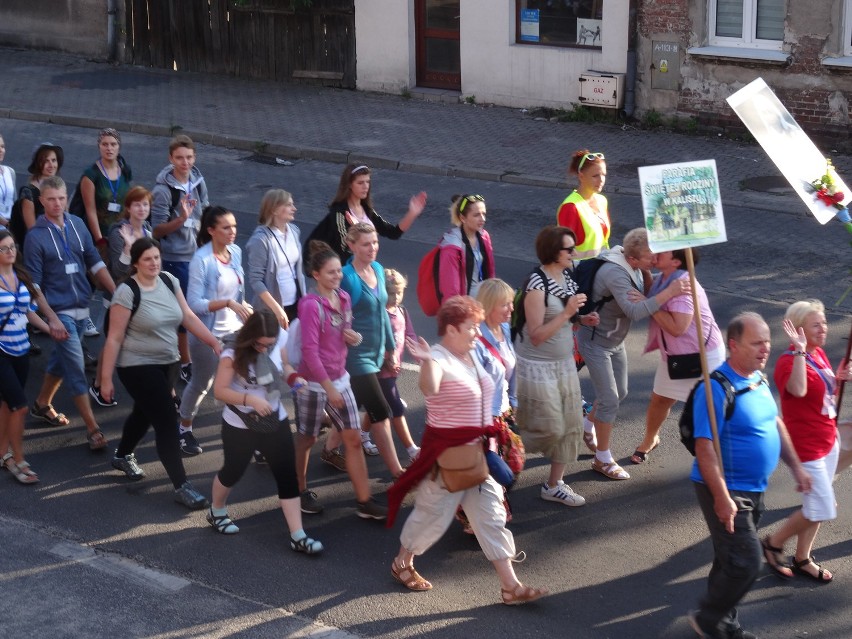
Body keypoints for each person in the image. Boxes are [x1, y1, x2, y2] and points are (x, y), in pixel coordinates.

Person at [387, 296, 548, 605]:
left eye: (477, 325)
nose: (477, 332)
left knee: (491, 515)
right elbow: (429, 388)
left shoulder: (470, 354)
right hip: (447, 458)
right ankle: (402, 562)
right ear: (451, 329)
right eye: (471, 327)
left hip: (476, 453)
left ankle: (510, 587)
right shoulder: (439, 357)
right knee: (432, 516)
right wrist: (426, 361)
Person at [688, 312, 811, 639]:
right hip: (728, 490)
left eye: (767, 341)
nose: (765, 348)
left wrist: (796, 466)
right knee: (747, 561)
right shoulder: (714, 388)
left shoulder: (758, 379)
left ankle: (723, 626)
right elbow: (704, 448)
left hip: (753, 488)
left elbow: (775, 422)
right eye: (756, 343)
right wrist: (722, 498)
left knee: (729, 559)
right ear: (733, 346)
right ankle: (709, 619)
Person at [99, 237, 220, 509]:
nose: (153, 263)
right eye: (147, 259)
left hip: (168, 363)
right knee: (166, 418)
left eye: (156, 257)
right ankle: (182, 485)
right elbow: (114, 339)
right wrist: (105, 379)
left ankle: (122, 455)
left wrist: (213, 341)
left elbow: (187, 316)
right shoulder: (126, 293)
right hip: (136, 365)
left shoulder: (168, 280)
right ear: (136, 263)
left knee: (144, 412)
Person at [576, 227, 688, 480]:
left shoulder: (636, 266)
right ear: (632, 259)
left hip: (614, 341)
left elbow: (645, 295)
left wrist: (650, 275)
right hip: (595, 342)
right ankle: (602, 459)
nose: (656, 259)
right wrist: (669, 292)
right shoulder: (615, 272)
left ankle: (587, 425)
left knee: (621, 392)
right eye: (651, 257)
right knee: (610, 399)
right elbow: (635, 311)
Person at [208, 309, 323, 553]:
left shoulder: (276, 341)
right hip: (241, 424)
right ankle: (217, 511)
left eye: (268, 344)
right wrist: (250, 399)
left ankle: (298, 535)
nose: (264, 349)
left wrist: (294, 380)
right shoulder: (232, 351)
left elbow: (286, 367)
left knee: (286, 475)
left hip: (274, 419)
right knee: (233, 471)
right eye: (260, 344)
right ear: (250, 336)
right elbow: (219, 391)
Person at [292, 240, 387, 519]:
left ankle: (364, 501)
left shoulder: (343, 299)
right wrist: (327, 387)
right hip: (313, 384)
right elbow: (309, 352)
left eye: (338, 272)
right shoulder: (310, 305)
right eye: (331, 272)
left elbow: (344, 329)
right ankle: (298, 491)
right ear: (316, 275)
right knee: (307, 438)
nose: (338, 277)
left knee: (353, 439)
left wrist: (352, 337)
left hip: (339, 379)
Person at [23, 177, 115, 450]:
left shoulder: (77, 225)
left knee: (61, 361)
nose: (57, 204)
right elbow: (35, 287)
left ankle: (42, 404)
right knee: (75, 367)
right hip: (59, 312)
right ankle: (92, 429)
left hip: (81, 308)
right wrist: (51, 319)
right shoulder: (35, 237)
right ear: (42, 201)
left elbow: (94, 261)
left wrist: (119, 293)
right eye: (51, 199)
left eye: (61, 198)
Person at [761, 300, 849, 584]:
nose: (824, 328)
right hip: (806, 446)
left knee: (817, 505)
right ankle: (774, 542)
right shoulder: (789, 361)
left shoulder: (818, 353)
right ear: (799, 330)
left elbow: (822, 393)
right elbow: (798, 390)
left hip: (827, 438)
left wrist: (838, 378)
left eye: (824, 323)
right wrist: (799, 349)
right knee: (823, 507)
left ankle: (803, 558)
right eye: (816, 324)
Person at [514, 227, 597, 506]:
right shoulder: (536, 285)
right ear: (553, 252)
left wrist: (582, 320)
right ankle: (496, 468)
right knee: (542, 429)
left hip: (563, 365)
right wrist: (569, 312)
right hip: (539, 367)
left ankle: (554, 485)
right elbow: (536, 335)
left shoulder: (567, 278)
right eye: (568, 249)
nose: (574, 253)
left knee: (570, 425)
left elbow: (567, 319)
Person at [631, 248, 724, 464]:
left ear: (675, 261)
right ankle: (650, 438)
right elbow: (653, 291)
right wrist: (645, 273)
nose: (655, 254)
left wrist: (648, 304)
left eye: (661, 253)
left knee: (710, 406)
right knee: (660, 399)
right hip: (676, 354)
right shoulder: (666, 278)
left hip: (703, 357)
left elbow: (677, 327)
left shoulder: (682, 287)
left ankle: (718, 453)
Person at [179, 206, 250, 456]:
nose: (233, 232)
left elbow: (238, 290)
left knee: (242, 382)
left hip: (236, 332)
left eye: (234, 226)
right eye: (226, 227)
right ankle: (184, 427)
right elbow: (194, 304)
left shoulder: (237, 252)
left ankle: (250, 436)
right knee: (202, 383)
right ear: (211, 231)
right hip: (208, 335)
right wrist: (228, 303)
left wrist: (243, 306)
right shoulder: (202, 260)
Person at [0, 231, 67, 484]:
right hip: (2, 351)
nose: (10, 252)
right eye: (4, 249)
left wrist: (52, 329)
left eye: (12, 247)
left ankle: (1, 453)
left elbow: (28, 311)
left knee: (8, 404)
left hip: (21, 348)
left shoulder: (21, 277)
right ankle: (18, 460)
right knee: (20, 407)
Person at [337, 223, 404, 477]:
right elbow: (335, 317)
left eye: (375, 242)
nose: (372, 248)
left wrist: (389, 348)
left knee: (346, 409)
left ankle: (328, 446)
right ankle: (398, 471)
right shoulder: (346, 276)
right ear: (351, 246)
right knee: (380, 410)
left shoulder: (377, 268)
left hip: (376, 353)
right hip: (356, 356)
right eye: (366, 244)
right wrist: (344, 332)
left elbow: (383, 314)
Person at [88, 186, 155, 408]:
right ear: (128, 207)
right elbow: (116, 271)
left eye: (145, 204)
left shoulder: (147, 229)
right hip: (119, 295)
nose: (142, 208)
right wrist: (128, 248)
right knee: (111, 341)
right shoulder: (118, 232)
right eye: (137, 204)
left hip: (141, 294)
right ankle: (98, 384)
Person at [151, 134, 210, 384]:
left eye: (188, 157)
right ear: (170, 158)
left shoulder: (198, 181)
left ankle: (188, 356)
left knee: (196, 309)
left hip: (197, 255)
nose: (184, 163)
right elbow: (157, 230)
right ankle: (185, 362)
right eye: (179, 158)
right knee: (184, 315)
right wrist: (181, 219)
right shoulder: (163, 191)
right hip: (175, 259)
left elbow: (206, 212)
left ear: (194, 157)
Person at [304, 163, 426, 263]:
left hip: (365, 269)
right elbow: (346, 249)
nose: (365, 186)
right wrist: (357, 229)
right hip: (346, 275)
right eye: (360, 183)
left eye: (367, 182)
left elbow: (393, 233)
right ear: (349, 185)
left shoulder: (366, 209)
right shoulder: (340, 213)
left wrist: (412, 213)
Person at [244, 188, 307, 329]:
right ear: (274, 210)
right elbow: (256, 281)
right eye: (288, 205)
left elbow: (297, 271)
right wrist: (277, 309)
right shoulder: (260, 240)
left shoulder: (294, 231)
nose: (294, 208)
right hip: (273, 308)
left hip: (296, 302)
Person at [76, 128, 133, 260]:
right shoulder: (91, 175)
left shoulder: (125, 170)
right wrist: (100, 241)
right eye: (105, 144)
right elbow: (90, 211)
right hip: (101, 236)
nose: (109, 148)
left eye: (113, 144)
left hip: (121, 235)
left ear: (119, 147)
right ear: (99, 146)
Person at [437, 194, 495, 300]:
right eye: (476, 215)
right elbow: (451, 291)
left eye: (484, 214)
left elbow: (490, 271)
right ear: (463, 218)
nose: (482, 219)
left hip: (483, 301)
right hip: (466, 307)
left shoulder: (484, 236)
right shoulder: (451, 247)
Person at [556, 150, 609, 260]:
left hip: (601, 269)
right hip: (580, 273)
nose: (601, 180)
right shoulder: (570, 207)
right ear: (581, 176)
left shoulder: (602, 201)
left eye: (603, 175)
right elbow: (563, 251)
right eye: (595, 176)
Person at [10, 142, 63, 248]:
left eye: (53, 160)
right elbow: (32, 230)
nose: (51, 165)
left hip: (58, 242)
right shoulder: (29, 192)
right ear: (38, 164)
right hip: (39, 247)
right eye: (46, 161)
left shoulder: (59, 185)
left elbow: (64, 216)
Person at [0, 134, 15, 228]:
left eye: (2, 146)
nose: (1, 150)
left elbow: (15, 201)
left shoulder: (10, 172)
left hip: (9, 227)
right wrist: (6, 223)